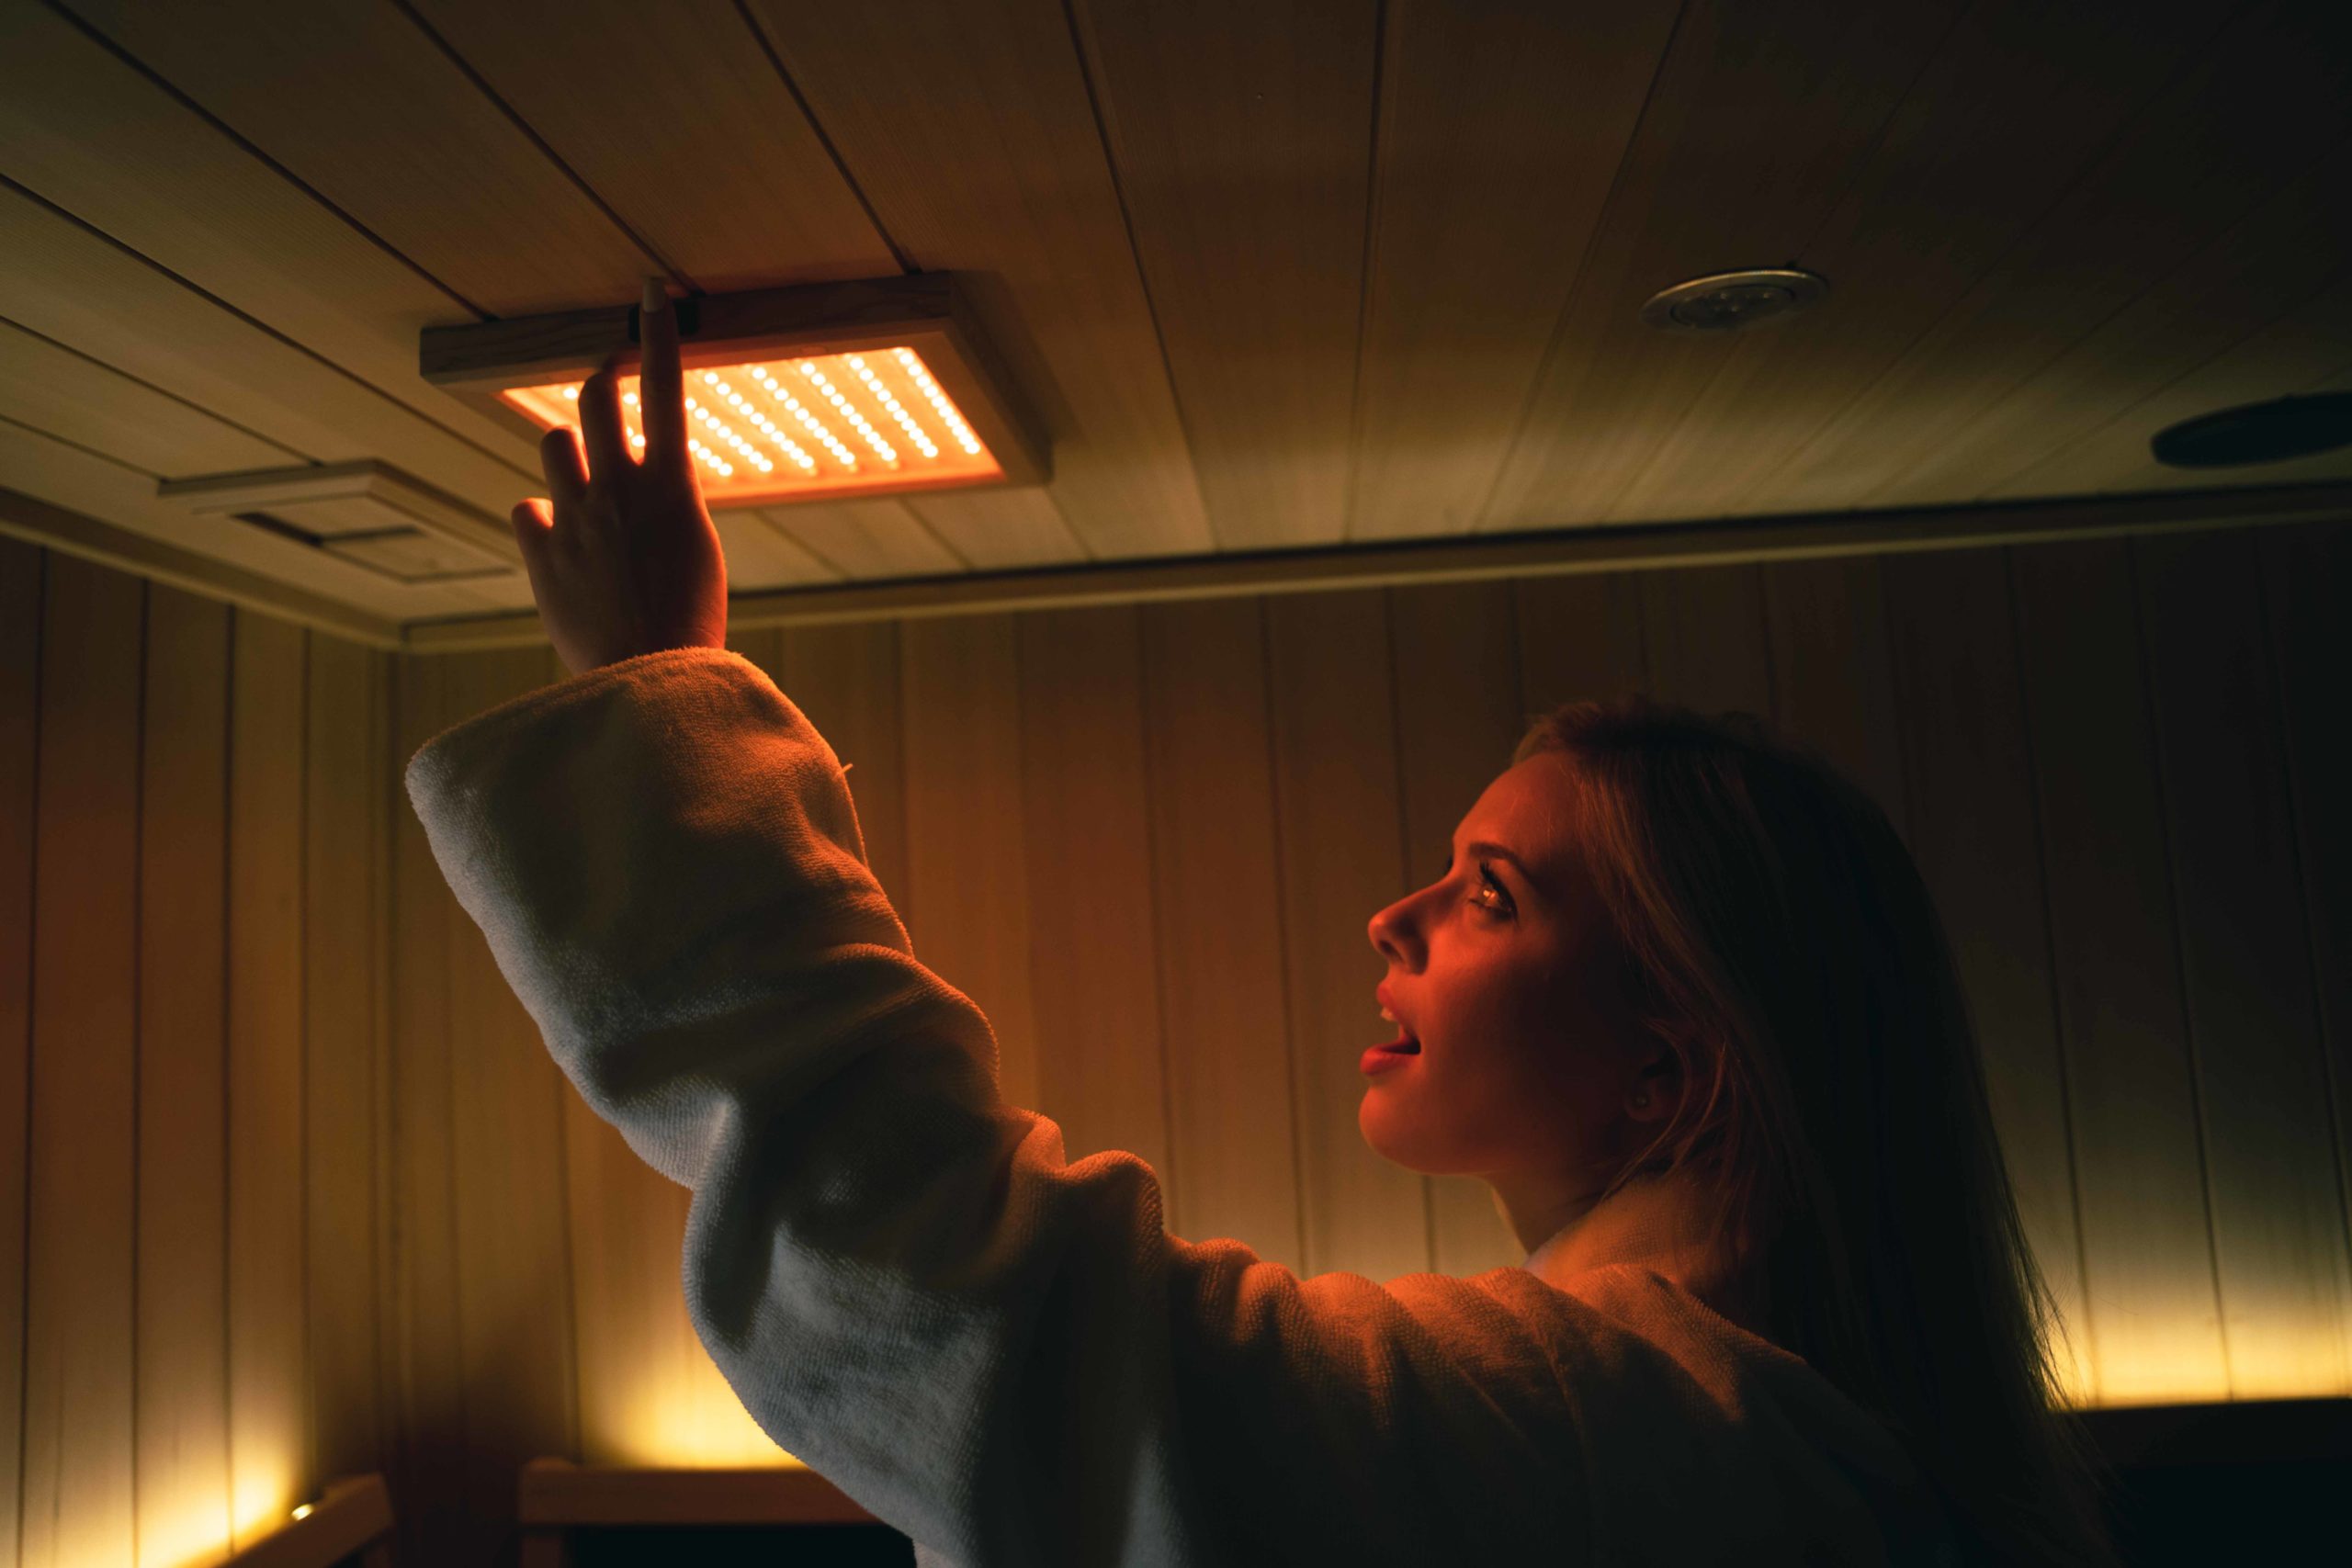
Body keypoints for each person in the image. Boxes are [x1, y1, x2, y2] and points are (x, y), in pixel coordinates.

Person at [406, 277, 2120, 1565]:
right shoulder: (1739, 1434)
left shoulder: (1636, 1433)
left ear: (1670, 1075)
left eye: (1490, 893)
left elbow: (973, 1322)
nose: (1395, 912)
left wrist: (663, 689)